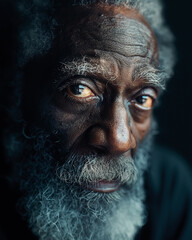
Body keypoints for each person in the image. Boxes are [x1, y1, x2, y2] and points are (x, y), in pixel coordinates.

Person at [0, 0, 192, 239]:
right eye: (79, 89)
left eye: (142, 99)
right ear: (18, 93)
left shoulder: (169, 189)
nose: (120, 141)